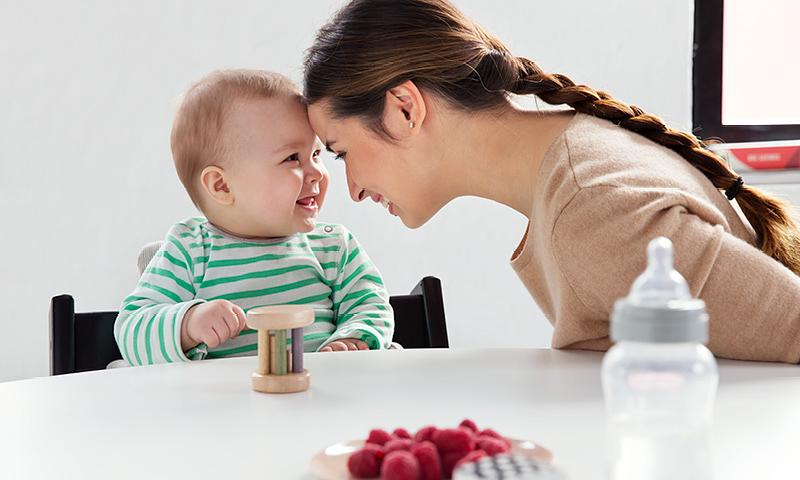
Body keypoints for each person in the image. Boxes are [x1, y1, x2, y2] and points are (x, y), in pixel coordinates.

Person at [303, 0, 800, 363]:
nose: (353, 189)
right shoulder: (576, 165)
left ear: (405, 108)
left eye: (342, 152)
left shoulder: (594, 211)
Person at [115, 69, 394, 365]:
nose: (316, 173)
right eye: (292, 158)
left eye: (315, 155)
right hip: (225, 408)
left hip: (321, 402)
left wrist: (353, 338)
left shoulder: (333, 246)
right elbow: (131, 329)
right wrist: (188, 323)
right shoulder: (189, 250)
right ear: (222, 186)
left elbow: (370, 305)